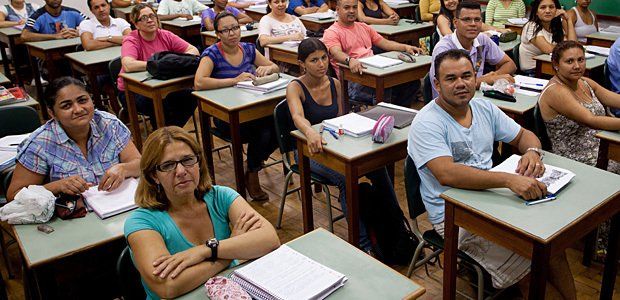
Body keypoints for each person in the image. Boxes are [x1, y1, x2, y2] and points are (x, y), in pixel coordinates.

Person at [408, 49, 576, 298]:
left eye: (467, 76)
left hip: (493, 201)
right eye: (451, 78)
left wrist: (531, 151)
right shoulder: (427, 122)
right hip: (455, 216)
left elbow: (524, 135)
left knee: (551, 248)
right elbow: (447, 174)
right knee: (530, 267)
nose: (461, 84)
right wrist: (509, 180)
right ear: (436, 84)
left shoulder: (483, 107)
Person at [124, 126, 280, 300]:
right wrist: (230, 253)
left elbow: (269, 239)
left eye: (188, 160)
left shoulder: (221, 196)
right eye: (168, 165)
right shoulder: (141, 222)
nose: (181, 171)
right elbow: (167, 286)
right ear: (154, 175)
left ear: (198, 163)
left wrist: (205, 251)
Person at [286, 38, 401, 253]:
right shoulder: (295, 87)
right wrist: (310, 132)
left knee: (378, 168)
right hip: (309, 150)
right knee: (345, 177)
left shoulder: (334, 83)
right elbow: (297, 117)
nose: (321, 64)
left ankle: (397, 227)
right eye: (313, 60)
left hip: (335, 144)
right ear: (302, 63)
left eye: (323, 58)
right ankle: (363, 245)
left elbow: (339, 118)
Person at [6, 77, 141, 200]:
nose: (78, 109)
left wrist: (124, 168)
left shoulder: (109, 124)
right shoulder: (40, 144)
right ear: (52, 113)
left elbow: (140, 164)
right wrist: (58, 186)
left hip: (117, 204)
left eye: (83, 100)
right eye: (66, 106)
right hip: (72, 217)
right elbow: (14, 195)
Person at [194, 12, 280, 201]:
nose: (232, 33)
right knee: (264, 131)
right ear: (218, 34)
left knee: (281, 124)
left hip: (253, 106)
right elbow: (199, 82)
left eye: (235, 28)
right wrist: (233, 80)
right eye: (226, 30)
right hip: (227, 115)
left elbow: (274, 67)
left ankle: (252, 165)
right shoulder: (212, 54)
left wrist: (268, 69)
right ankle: (252, 171)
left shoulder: (248, 49)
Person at [539, 41, 620, 172]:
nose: (577, 66)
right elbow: (592, 120)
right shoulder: (555, 91)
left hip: (602, 143)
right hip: (578, 157)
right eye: (569, 61)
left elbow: (616, 99)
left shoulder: (584, 82)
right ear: (556, 64)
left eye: (581, 60)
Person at [323, 0, 421, 107]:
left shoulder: (363, 27)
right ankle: (384, 117)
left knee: (411, 82)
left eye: (355, 7)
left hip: (375, 72)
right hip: (353, 80)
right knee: (385, 87)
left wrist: (406, 47)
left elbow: (385, 43)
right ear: (337, 9)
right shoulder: (332, 32)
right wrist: (350, 60)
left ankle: (396, 115)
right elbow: (336, 52)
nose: (351, 11)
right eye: (347, 8)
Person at [118, 3, 199, 128]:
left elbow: (193, 50)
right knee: (160, 104)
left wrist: (173, 63)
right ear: (136, 24)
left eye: (152, 16)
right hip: (132, 91)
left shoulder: (165, 35)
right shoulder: (132, 39)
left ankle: (170, 131)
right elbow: (128, 65)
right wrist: (157, 65)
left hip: (163, 86)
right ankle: (164, 133)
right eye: (144, 18)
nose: (150, 20)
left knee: (191, 95)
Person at [430, 0, 516, 97]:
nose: (473, 24)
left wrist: (494, 75)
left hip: (477, 97)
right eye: (467, 19)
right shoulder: (444, 48)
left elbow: (510, 65)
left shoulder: (482, 39)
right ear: (455, 22)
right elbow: (450, 87)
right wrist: (489, 79)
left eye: (477, 19)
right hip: (451, 105)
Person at [519, 0, 576, 75]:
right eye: (543, 7)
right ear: (536, 12)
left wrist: (568, 20)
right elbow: (548, 49)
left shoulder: (555, 27)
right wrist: (565, 46)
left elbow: (573, 46)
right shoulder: (531, 26)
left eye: (551, 7)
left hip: (551, 69)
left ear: (557, 10)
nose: (548, 11)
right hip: (533, 72)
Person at [21, 0, 86, 41]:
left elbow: (93, 25)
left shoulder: (73, 12)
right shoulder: (37, 16)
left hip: (71, 51)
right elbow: (24, 36)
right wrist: (55, 36)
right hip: (49, 55)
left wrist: (78, 33)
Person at [436, 0, 507, 37]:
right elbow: (449, 37)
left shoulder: (464, 13)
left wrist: (500, 30)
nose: (451, 1)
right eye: (446, 0)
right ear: (443, 3)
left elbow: (483, 26)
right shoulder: (442, 18)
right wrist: (480, 36)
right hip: (449, 51)